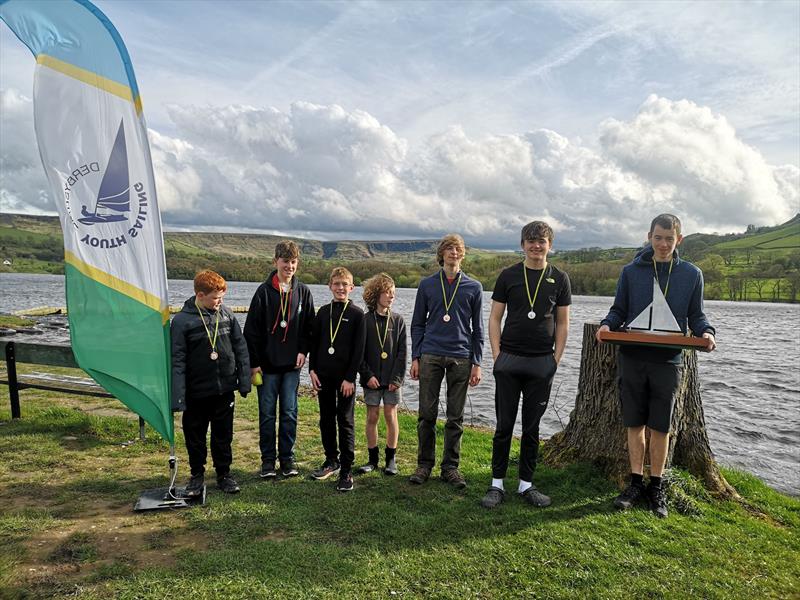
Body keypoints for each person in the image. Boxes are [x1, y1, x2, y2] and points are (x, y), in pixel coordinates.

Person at [597, 213, 716, 518]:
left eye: (669, 238)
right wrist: (606, 325)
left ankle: (657, 485)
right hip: (633, 357)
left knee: (660, 425)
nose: (663, 244)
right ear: (649, 237)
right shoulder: (630, 272)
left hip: (668, 360)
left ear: (680, 239)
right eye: (658, 238)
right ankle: (635, 482)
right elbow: (618, 310)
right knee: (634, 423)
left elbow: (697, 316)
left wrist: (707, 332)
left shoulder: (692, 274)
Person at [481, 221, 571, 509]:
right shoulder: (508, 275)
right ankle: (496, 484)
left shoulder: (560, 277)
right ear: (522, 245)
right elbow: (495, 318)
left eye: (541, 241)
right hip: (509, 361)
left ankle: (526, 484)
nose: (536, 245)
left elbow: (562, 322)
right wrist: (497, 356)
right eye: (530, 241)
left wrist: (554, 360)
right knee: (504, 425)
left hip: (541, 363)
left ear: (549, 245)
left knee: (532, 428)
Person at [409, 233, 484, 489]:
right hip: (430, 353)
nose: (454, 253)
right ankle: (424, 464)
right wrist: (415, 357)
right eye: (449, 248)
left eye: (458, 249)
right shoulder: (427, 285)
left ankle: (450, 468)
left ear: (463, 254)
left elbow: (478, 328)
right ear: (441, 254)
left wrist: (478, 361)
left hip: (461, 356)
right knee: (426, 414)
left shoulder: (474, 287)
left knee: (455, 416)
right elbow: (417, 323)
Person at [171, 270, 251, 496]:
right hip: (196, 393)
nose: (220, 302)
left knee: (223, 435)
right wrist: (178, 396)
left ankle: (224, 474)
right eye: (216, 298)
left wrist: (243, 381)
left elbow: (241, 348)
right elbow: (177, 360)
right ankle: (197, 475)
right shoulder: (181, 321)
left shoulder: (227, 315)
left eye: (222, 297)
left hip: (224, 390)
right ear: (200, 294)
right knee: (195, 435)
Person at [244, 240, 315, 479]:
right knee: (267, 414)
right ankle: (267, 462)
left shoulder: (303, 291)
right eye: (285, 262)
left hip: (291, 368)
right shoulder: (263, 292)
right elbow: (251, 332)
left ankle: (287, 459)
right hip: (266, 367)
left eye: (294, 262)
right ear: (275, 261)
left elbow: (309, 328)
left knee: (289, 413)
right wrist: (254, 363)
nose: (290, 266)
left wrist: (303, 351)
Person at [309, 267, 367, 492]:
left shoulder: (357, 314)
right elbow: (315, 344)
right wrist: (312, 369)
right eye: (336, 284)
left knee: (345, 420)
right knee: (326, 419)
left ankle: (346, 469)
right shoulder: (322, 312)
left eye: (345, 284)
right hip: (323, 375)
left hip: (345, 380)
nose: (341, 288)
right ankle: (331, 460)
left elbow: (359, 350)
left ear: (352, 287)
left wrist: (350, 378)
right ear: (330, 286)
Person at [355, 273, 407, 476]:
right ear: (376, 294)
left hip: (392, 380)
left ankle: (391, 459)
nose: (391, 296)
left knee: (390, 415)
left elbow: (403, 353)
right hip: (372, 379)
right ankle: (372, 459)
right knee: (373, 416)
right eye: (387, 292)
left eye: (393, 293)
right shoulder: (365, 320)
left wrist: (396, 379)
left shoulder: (398, 320)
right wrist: (367, 375)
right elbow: (358, 354)